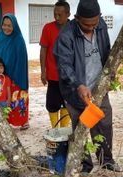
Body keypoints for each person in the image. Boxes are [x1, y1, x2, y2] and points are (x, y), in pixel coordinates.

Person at [54, 0, 122, 173]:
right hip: (75, 92)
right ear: (77, 19)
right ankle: (85, 165)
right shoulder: (66, 35)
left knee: (104, 125)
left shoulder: (100, 26)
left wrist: (110, 76)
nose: (92, 28)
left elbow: (106, 51)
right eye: (86, 24)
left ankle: (106, 160)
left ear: (99, 17)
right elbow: (64, 65)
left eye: (94, 23)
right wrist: (78, 85)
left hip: (99, 88)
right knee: (80, 129)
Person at [0, 14, 29, 130]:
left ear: (14, 26)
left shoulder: (18, 39)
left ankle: (23, 121)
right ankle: (5, 121)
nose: (6, 28)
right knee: (1, 98)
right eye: (4, 25)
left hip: (16, 76)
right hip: (0, 76)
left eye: (9, 25)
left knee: (16, 99)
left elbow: (22, 61)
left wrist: (15, 77)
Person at [40, 0, 71, 128]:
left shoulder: (74, 28)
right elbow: (43, 50)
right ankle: (55, 128)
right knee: (52, 105)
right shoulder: (48, 28)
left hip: (70, 76)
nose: (57, 17)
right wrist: (43, 71)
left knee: (67, 103)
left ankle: (64, 130)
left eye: (60, 14)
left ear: (68, 14)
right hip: (53, 75)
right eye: (55, 14)